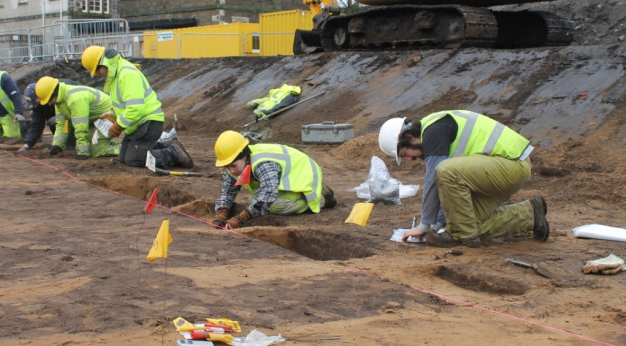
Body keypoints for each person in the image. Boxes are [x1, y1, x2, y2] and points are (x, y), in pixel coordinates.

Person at [377, 110, 549, 247]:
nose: (409, 159)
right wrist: (437, 225)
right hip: (504, 169)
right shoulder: (436, 132)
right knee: (464, 224)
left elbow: (433, 181)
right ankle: (530, 213)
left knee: (443, 171)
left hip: (511, 165)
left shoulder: (433, 132)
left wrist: (425, 225)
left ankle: (461, 238)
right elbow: (446, 188)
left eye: (405, 154)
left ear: (409, 138)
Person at [81, 46, 193, 169]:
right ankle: (160, 145)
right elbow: (124, 104)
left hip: (149, 123)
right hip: (137, 123)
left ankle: (173, 152)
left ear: (104, 63)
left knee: (135, 159)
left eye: (97, 70)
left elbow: (135, 108)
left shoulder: (127, 74)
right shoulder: (116, 75)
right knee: (123, 158)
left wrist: (118, 126)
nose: (97, 74)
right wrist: (112, 114)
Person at [211, 130, 336, 229]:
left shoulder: (262, 164)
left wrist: (242, 218)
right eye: (226, 166)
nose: (231, 171)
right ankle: (313, 191)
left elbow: (268, 195)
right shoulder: (235, 163)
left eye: (233, 166)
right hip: (287, 175)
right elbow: (228, 191)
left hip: (306, 174)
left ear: (244, 157)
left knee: (274, 205)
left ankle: (320, 199)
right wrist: (222, 212)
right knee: (253, 199)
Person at [34, 76, 120, 160]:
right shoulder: (59, 102)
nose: (49, 104)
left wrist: (83, 153)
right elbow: (63, 125)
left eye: (49, 100)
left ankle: (123, 149)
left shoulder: (75, 99)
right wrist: (57, 145)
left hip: (108, 117)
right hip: (94, 121)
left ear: (54, 93)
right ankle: (106, 143)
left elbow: (81, 127)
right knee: (89, 144)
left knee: (97, 151)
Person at [17, 81, 76, 152]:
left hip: (71, 118)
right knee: (53, 125)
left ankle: (71, 146)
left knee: (67, 131)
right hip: (59, 123)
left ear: (40, 95)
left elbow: (75, 111)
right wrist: (27, 144)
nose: (35, 106)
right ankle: (60, 146)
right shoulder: (38, 107)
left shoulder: (56, 95)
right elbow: (36, 125)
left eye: (35, 102)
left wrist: (60, 117)